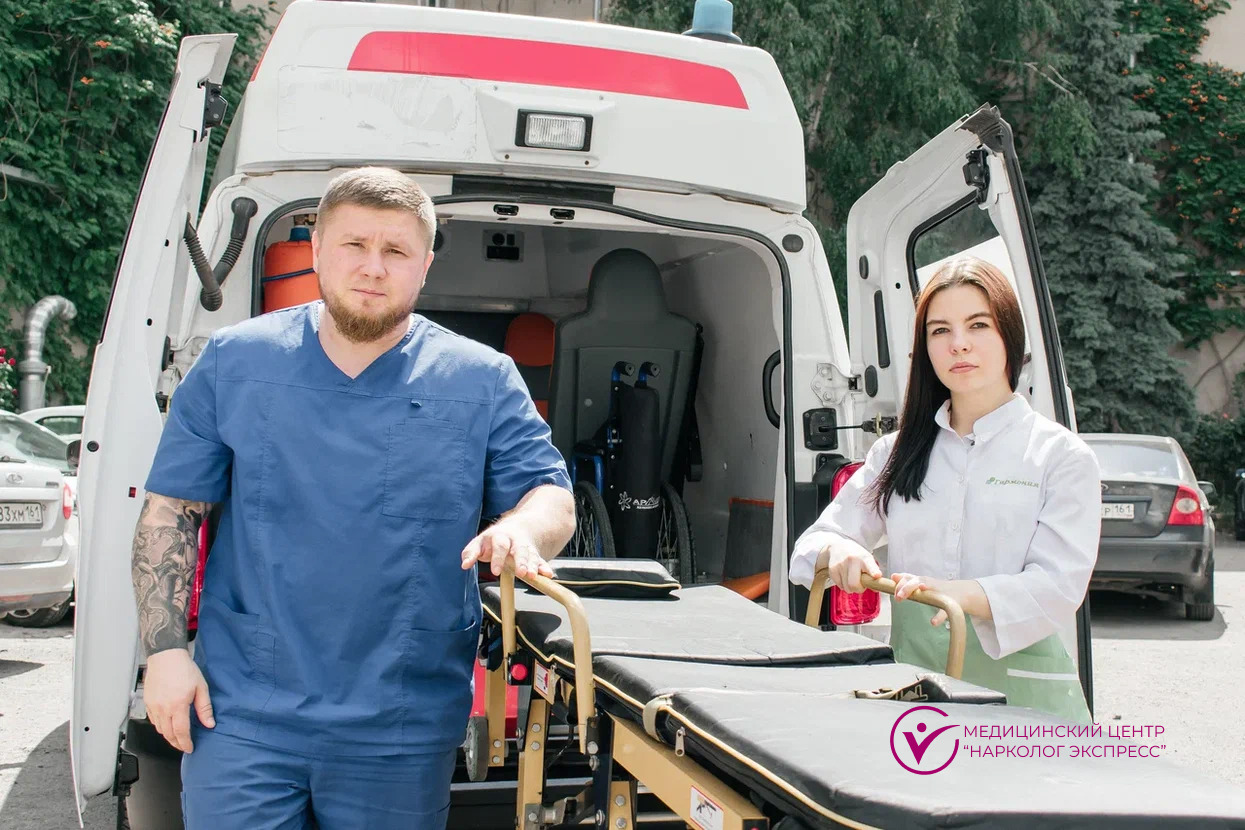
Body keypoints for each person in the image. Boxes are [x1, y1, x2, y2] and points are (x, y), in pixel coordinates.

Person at [130, 166, 575, 829]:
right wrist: (164, 653)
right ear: (316, 250)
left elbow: (552, 498)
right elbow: (171, 511)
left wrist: (523, 530)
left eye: (396, 250)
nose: (373, 267)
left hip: (399, 726)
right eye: (354, 245)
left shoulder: (480, 380)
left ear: (424, 265)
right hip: (242, 714)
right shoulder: (235, 363)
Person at [788, 255, 1101, 724]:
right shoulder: (896, 452)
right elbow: (813, 544)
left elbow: (1058, 585)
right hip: (914, 696)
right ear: (925, 349)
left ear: (1010, 336)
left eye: (978, 325)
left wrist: (955, 594)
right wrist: (840, 552)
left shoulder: (1060, 456)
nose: (959, 344)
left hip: (1024, 707)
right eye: (940, 331)